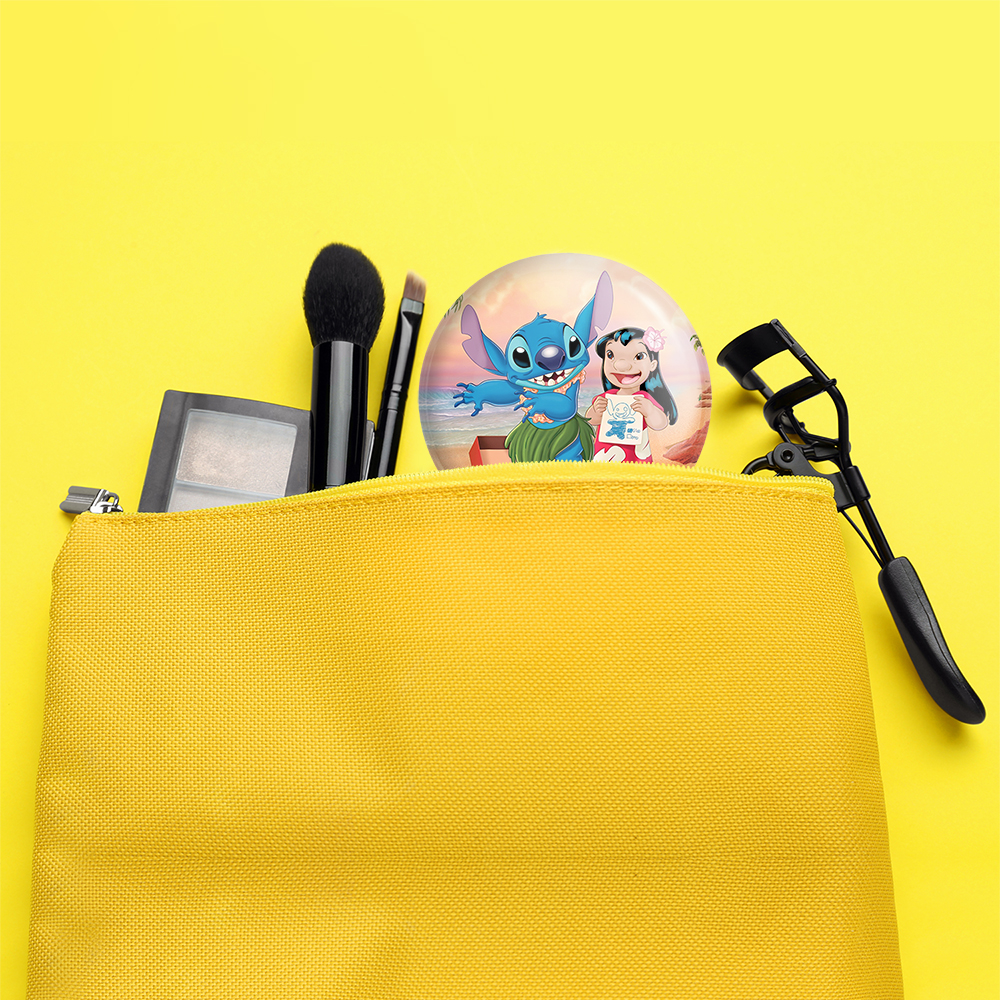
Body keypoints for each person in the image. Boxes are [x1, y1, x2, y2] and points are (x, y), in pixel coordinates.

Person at [585, 327, 677, 463]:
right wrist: (596, 410)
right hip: (605, 453)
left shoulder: (644, 399)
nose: (621, 365)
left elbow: (660, 424)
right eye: (610, 355)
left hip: (635, 455)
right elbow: (590, 420)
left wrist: (650, 411)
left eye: (638, 357)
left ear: (652, 365)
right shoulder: (607, 397)